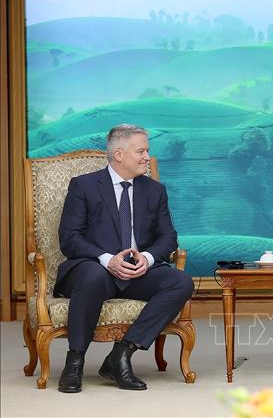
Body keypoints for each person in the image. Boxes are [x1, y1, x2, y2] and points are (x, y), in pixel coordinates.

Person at [55, 124, 194, 393]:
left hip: (137, 272)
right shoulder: (84, 186)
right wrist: (107, 259)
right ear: (119, 154)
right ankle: (74, 362)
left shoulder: (155, 190)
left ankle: (121, 355)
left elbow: (168, 238)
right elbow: (69, 239)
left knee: (181, 282)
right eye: (141, 151)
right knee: (93, 275)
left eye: (147, 151)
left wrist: (148, 259)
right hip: (94, 270)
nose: (147, 157)